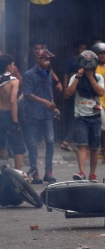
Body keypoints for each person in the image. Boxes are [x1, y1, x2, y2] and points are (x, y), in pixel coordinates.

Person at [66, 51, 105, 182]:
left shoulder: (98, 77)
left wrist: (90, 77)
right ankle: (82, 172)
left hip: (95, 116)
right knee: (81, 145)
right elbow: (68, 93)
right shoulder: (75, 78)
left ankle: (92, 174)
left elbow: (100, 92)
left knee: (94, 147)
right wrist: (78, 77)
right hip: (81, 117)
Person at [23, 49, 58, 184]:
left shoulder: (49, 74)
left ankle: (48, 171)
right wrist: (45, 102)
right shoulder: (29, 74)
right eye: (45, 59)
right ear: (38, 59)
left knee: (50, 141)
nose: (47, 62)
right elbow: (28, 94)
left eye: (48, 59)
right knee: (32, 145)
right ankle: (34, 172)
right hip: (32, 113)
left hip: (47, 113)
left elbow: (49, 92)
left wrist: (53, 106)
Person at [61, 40, 87, 152]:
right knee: (73, 116)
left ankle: (73, 140)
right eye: (81, 48)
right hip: (72, 90)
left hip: (82, 91)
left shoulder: (85, 61)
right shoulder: (70, 61)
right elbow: (66, 75)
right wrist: (65, 89)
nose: (83, 51)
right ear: (76, 49)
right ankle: (67, 140)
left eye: (84, 48)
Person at [0, 55, 26, 170]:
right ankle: (18, 175)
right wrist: (15, 122)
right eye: (13, 65)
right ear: (8, 67)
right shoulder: (13, 81)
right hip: (8, 115)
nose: (14, 67)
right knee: (18, 147)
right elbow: (12, 101)